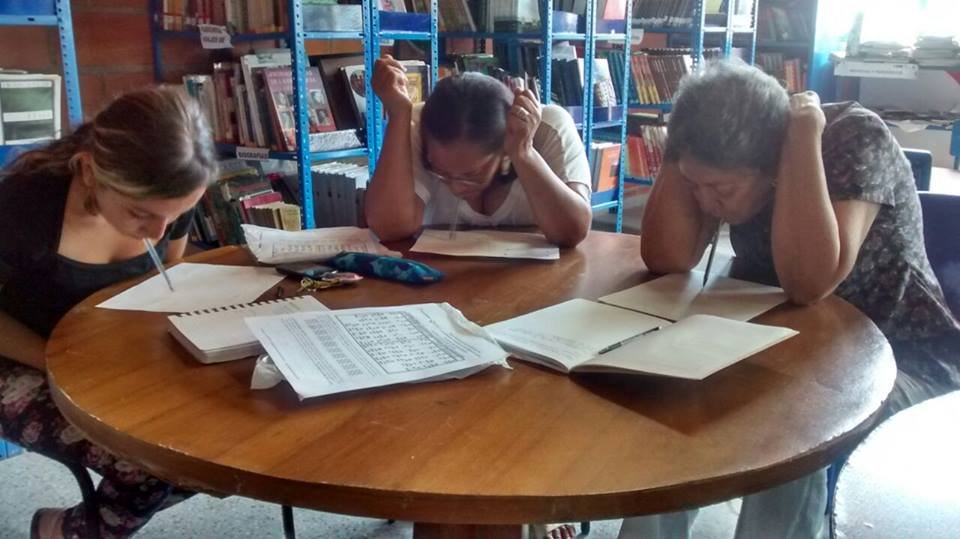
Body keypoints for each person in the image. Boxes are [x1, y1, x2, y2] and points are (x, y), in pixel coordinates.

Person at [620, 59, 960, 538]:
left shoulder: (852, 138)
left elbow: (807, 284)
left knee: (793, 422)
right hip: (777, 344)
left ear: (771, 163)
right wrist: (683, 149)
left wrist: (800, 141)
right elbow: (667, 257)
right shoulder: (717, 168)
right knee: (671, 397)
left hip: (900, 357)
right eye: (697, 187)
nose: (706, 204)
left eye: (721, 189)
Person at [0, 86, 219, 538]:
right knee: (147, 465)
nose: (158, 231)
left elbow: (163, 280)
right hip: (21, 355)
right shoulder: (24, 207)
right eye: (140, 213)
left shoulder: (169, 195)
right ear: (90, 171)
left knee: (219, 444)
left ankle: (70, 528)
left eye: (178, 214)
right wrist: (59, 363)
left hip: (102, 354)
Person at [364, 55, 593, 247]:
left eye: (472, 175)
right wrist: (398, 115)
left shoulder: (548, 127)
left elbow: (572, 232)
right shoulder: (417, 124)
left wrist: (523, 152)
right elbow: (389, 228)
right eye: (441, 172)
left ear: (503, 151)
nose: (456, 188)